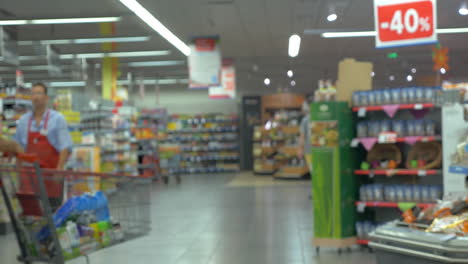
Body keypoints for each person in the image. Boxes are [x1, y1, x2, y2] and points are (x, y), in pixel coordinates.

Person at [0, 83, 72, 210]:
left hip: (50, 177)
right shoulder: (23, 121)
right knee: (33, 215)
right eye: (33, 93)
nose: (35, 97)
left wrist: (59, 169)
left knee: (52, 214)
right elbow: (17, 146)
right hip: (30, 179)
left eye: (39, 93)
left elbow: (65, 146)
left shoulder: (57, 119)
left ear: (46, 98)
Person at [298, 101, 312, 176]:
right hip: (319, 149)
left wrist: (300, 149)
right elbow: (302, 136)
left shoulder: (305, 120)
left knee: (313, 171)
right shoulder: (306, 120)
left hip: (309, 151)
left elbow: (302, 136)